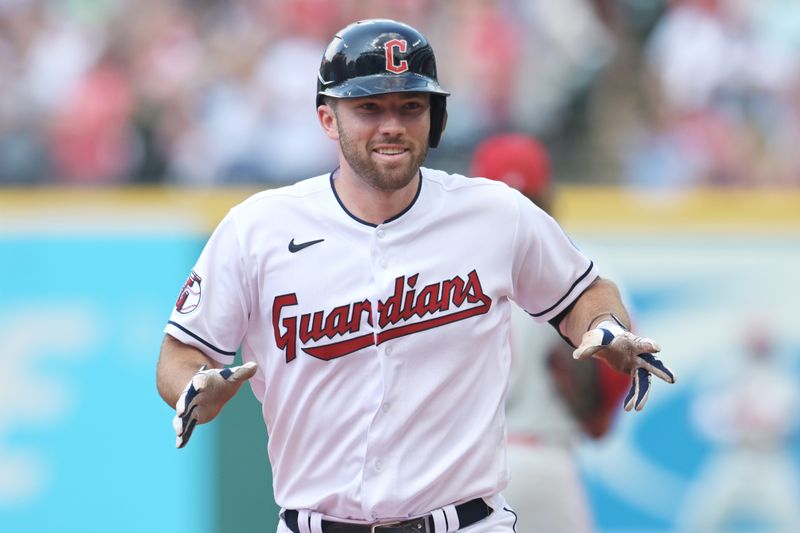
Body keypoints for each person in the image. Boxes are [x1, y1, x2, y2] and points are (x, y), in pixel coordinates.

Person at [156, 19, 675, 533]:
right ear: (327, 119)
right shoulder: (259, 228)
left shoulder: (494, 213)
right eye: (369, 108)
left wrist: (603, 323)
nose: (392, 125)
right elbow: (181, 353)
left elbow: (586, 291)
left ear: (436, 117)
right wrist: (191, 387)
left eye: (411, 107)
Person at [470, 133, 632, 532]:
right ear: (549, 196)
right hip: (545, 463)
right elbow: (615, 379)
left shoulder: (444, 278)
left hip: (465, 478)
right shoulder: (582, 274)